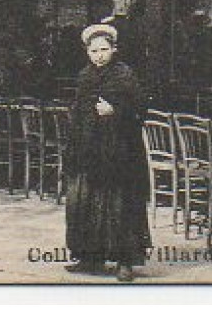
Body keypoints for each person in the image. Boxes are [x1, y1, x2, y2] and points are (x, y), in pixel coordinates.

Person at [64, 22, 151, 282]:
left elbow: (141, 110)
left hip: (120, 152)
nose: (99, 55)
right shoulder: (84, 77)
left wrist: (116, 112)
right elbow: (78, 111)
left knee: (120, 206)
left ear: (114, 49)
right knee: (87, 203)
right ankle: (90, 257)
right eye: (94, 51)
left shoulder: (125, 76)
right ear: (87, 53)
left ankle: (126, 261)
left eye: (104, 49)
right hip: (90, 151)